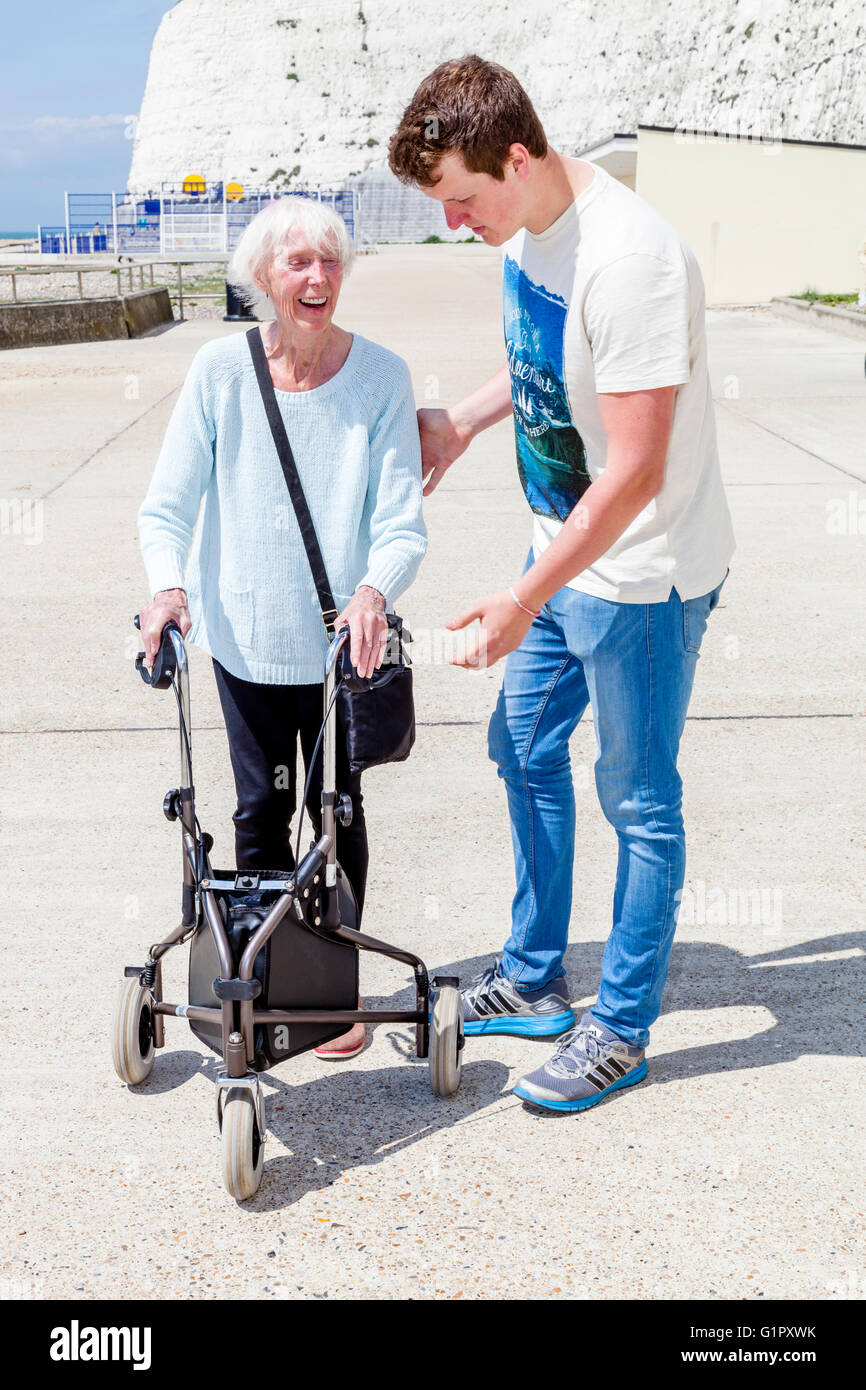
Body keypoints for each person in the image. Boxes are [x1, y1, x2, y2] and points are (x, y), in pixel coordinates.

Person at [388, 56, 735, 1111]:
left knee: (636, 798)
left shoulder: (631, 263)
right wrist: (459, 420)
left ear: (517, 156)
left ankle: (619, 1027)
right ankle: (535, 977)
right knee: (522, 743)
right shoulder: (531, 226)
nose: (454, 224)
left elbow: (630, 471)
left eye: (459, 200)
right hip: (563, 551)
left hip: (639, 577)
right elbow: (541, 358)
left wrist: (523, 596)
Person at [137, 196, 426, 1059]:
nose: (318, 278)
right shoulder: (220, 373)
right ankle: (263, 991)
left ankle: (331, 992)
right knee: (260, 813)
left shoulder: (381, 377)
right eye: (299, 263)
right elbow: (167, 507)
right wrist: (168, 590)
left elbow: (401, 521)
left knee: (336, 813)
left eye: (331, 262)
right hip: (246, 642)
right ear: (264, 277)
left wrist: (376, 590)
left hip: (342, 653)